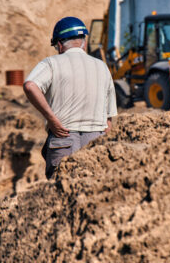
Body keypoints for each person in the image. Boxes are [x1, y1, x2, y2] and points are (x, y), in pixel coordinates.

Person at [23, 16, 117, 179]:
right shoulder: (102, 67)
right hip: (95, 143)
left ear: (59, 44)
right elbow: (108, 122)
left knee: (61, 195)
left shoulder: (51, 63)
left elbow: (30, 86)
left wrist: (52, 119)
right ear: (84, 42)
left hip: (63, 140)